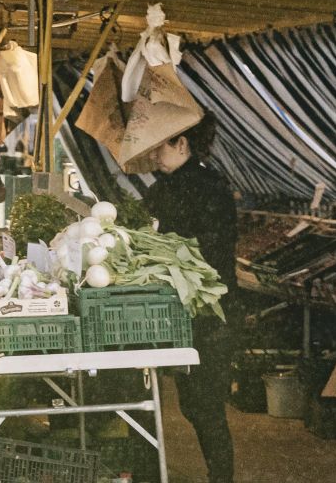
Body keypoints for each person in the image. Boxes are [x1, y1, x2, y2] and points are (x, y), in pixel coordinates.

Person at [142, 119, 236, 483]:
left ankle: (222, 476)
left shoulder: (204, 187)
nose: (154, 154)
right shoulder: (170, 185)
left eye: (160, 146)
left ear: (182, 144)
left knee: (205, 404)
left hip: (208, 310)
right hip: (187, 308)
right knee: (195, 402)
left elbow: (210, 248)